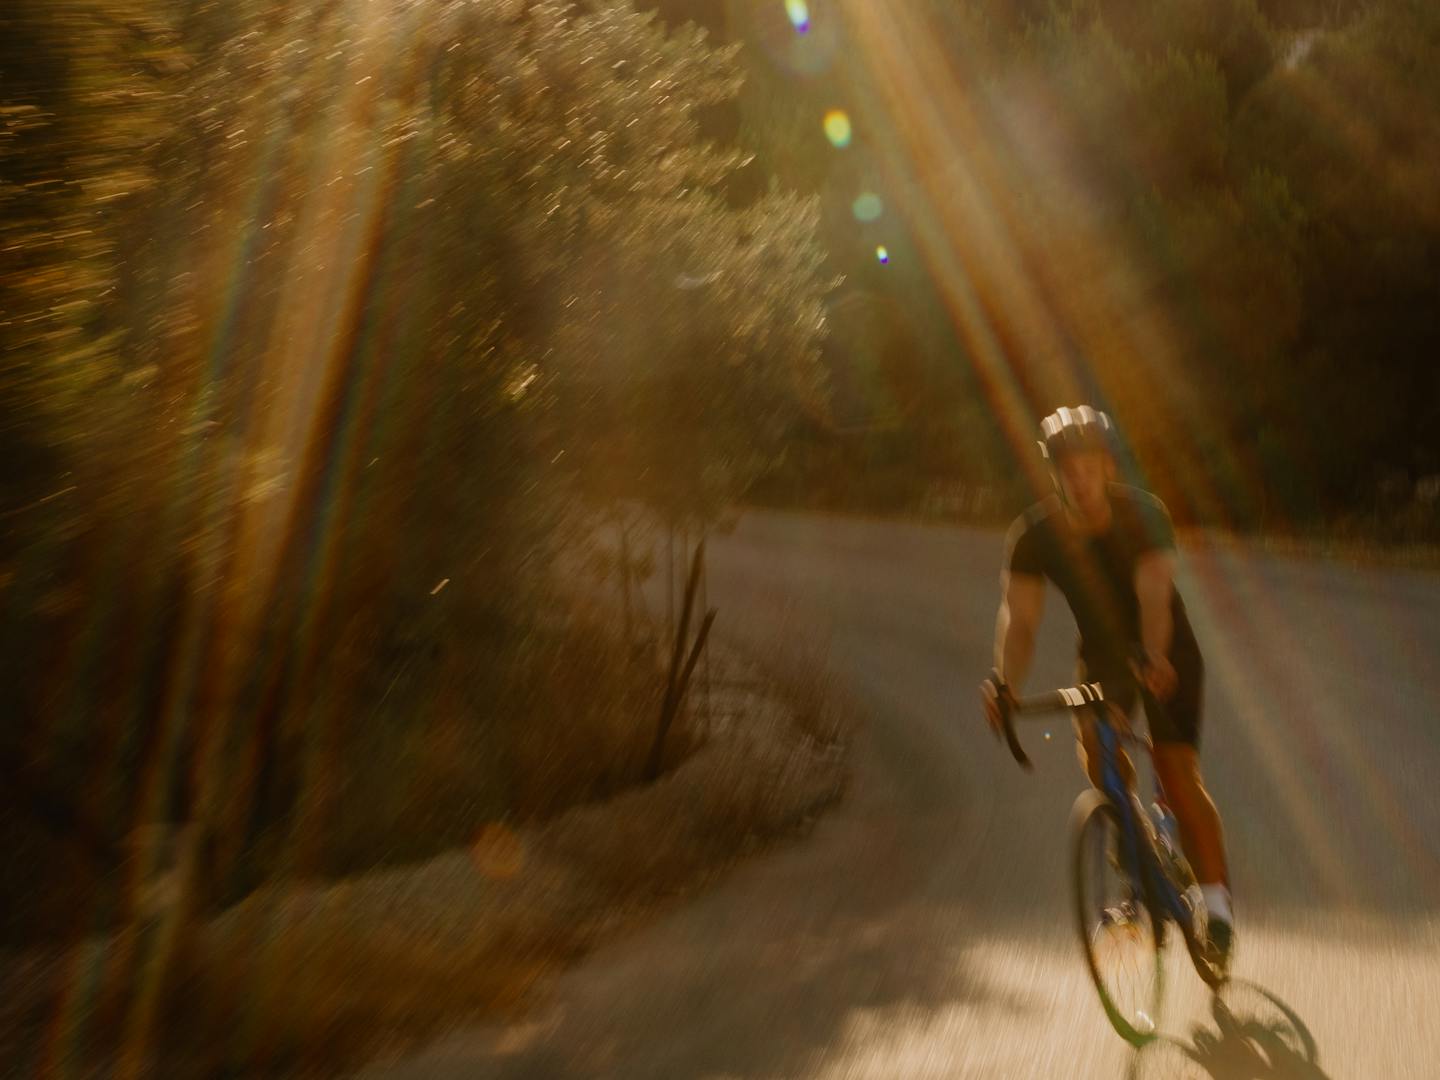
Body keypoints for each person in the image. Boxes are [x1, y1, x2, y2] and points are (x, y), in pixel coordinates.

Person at [980, 405, 1234, 966]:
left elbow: (1153, 592)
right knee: (1099, 756)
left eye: (1089, 464)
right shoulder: (1034, 535)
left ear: (1106, 466)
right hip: (1101, 658)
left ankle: (1216, 908)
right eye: (1067, 467)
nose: (1079, 476)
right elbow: (1019, 622)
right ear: (1055, 473)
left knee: (1175, 770)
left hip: (1167, 648)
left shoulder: (1144, 515)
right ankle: (1137, 862)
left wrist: (1154, 655)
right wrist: (1004, 682)